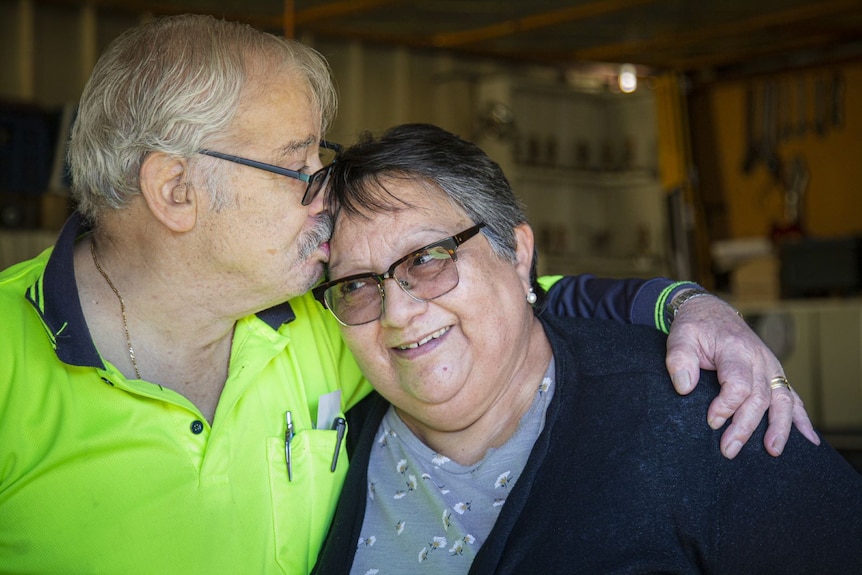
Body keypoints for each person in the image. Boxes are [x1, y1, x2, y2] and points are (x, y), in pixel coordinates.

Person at [0, 14, 814, 575]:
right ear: (176, 191)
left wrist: (688, 308)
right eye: (300, 166)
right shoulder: (10, 357)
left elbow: (504, 297)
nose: (328, 196)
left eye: (326, 162)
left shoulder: (322, 323)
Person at [310, 123, 862, 575]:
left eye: (428, 259)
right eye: (356, 286)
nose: (397, 313)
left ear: (518, 253)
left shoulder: (698, 413)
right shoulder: (322, 456)